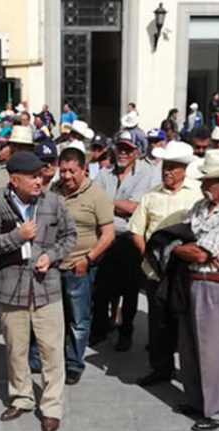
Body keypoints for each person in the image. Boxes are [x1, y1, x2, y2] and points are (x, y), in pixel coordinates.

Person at [0, 151, 76, 431]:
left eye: (41, 175)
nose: (39, 180)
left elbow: (69, 237)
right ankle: (21, 397)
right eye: (33, 176)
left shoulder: (53, 201)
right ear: (14, 179)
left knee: (52, 351)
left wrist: (51, 256)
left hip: (47, 289)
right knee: (16, 350)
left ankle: (51, 407)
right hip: (11, 289)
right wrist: (16, 237)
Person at [172, 150, 219, 431]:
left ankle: (216, 411)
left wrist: (175, 248)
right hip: (192, 279)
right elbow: (190, 242)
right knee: (190, 345)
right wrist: (185, 248)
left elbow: (201, 251)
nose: (205, 185)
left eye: (211, 181)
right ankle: (196, 400)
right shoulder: (200, 206)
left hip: (214, 282)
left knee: (212, 350)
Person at [41, 145, 115, 385]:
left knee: (79, 320)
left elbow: (108, 234)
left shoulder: (97, 195)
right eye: (62, 171)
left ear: (84, 170)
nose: (67, 176)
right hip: (53, 265)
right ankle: (51, 358)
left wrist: (88, 259)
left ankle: (74, 363)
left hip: (79, 267)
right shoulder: (54, 191)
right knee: (53, 317)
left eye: (72, 171)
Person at [130, 141, 201, 386]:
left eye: (173, 167)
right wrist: (150, 257)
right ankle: (161, 367)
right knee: (158, 323)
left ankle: (191, 371)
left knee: (186, 321)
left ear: (184, 169)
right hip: (156, 272)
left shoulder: (197, 195)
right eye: (165, 166)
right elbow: (137, 231)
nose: (167, 171)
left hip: (185, 271)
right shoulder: (150, 196)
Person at [92, 130, 154, 351]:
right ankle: (100, 328)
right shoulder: (104, 173)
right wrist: (119, 205)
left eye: (128, 149)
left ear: (137, 152)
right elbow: (94, 202)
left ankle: (125, 331)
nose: (123, 153)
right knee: (101, 287)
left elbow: (136, 208)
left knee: (129, 289)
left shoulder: (146, 173)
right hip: (104, 237)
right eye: (120, 148)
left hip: (128, 239)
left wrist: (106, 202)